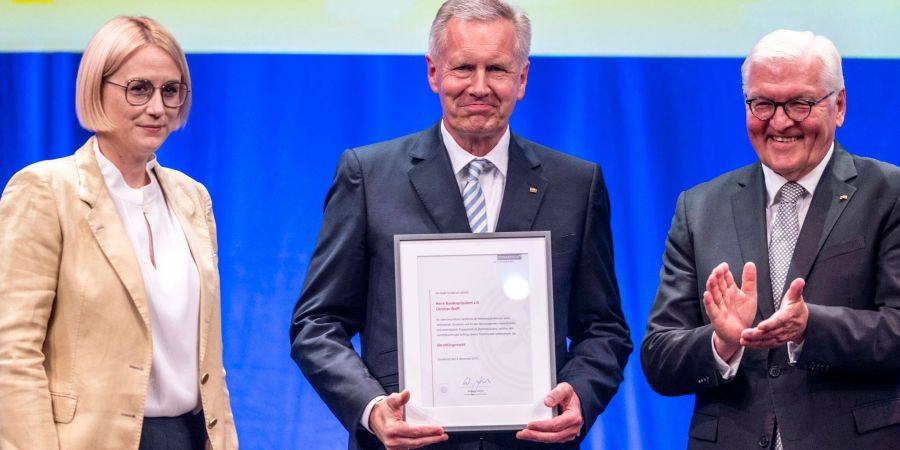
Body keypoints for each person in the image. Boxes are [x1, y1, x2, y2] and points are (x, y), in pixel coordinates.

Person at [289, 0, 631, 448]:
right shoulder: (368, 176)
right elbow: (316, 323)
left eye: (498, 70)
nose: (480, 86)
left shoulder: (576, 184)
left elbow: (603, 329)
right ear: (433, 73)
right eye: (463, 67)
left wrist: (579, 397)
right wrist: (372, 408)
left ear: (523, 78)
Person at [642, 29, 900, 449]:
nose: (779, 122)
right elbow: (659, 357)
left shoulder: (888, 193)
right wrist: (721, 342)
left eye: (799, 103)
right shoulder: (699, 207)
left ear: (839, 106)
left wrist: (809, 327)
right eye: (762, 103)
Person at [0, 16, 238, 450]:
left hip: (187, 435)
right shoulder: (43, 190)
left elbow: (206, 356)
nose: (157, 107)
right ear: (96, 88)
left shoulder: (192, 198)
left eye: (171, 90)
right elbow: (12, 353)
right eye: (139, 88)